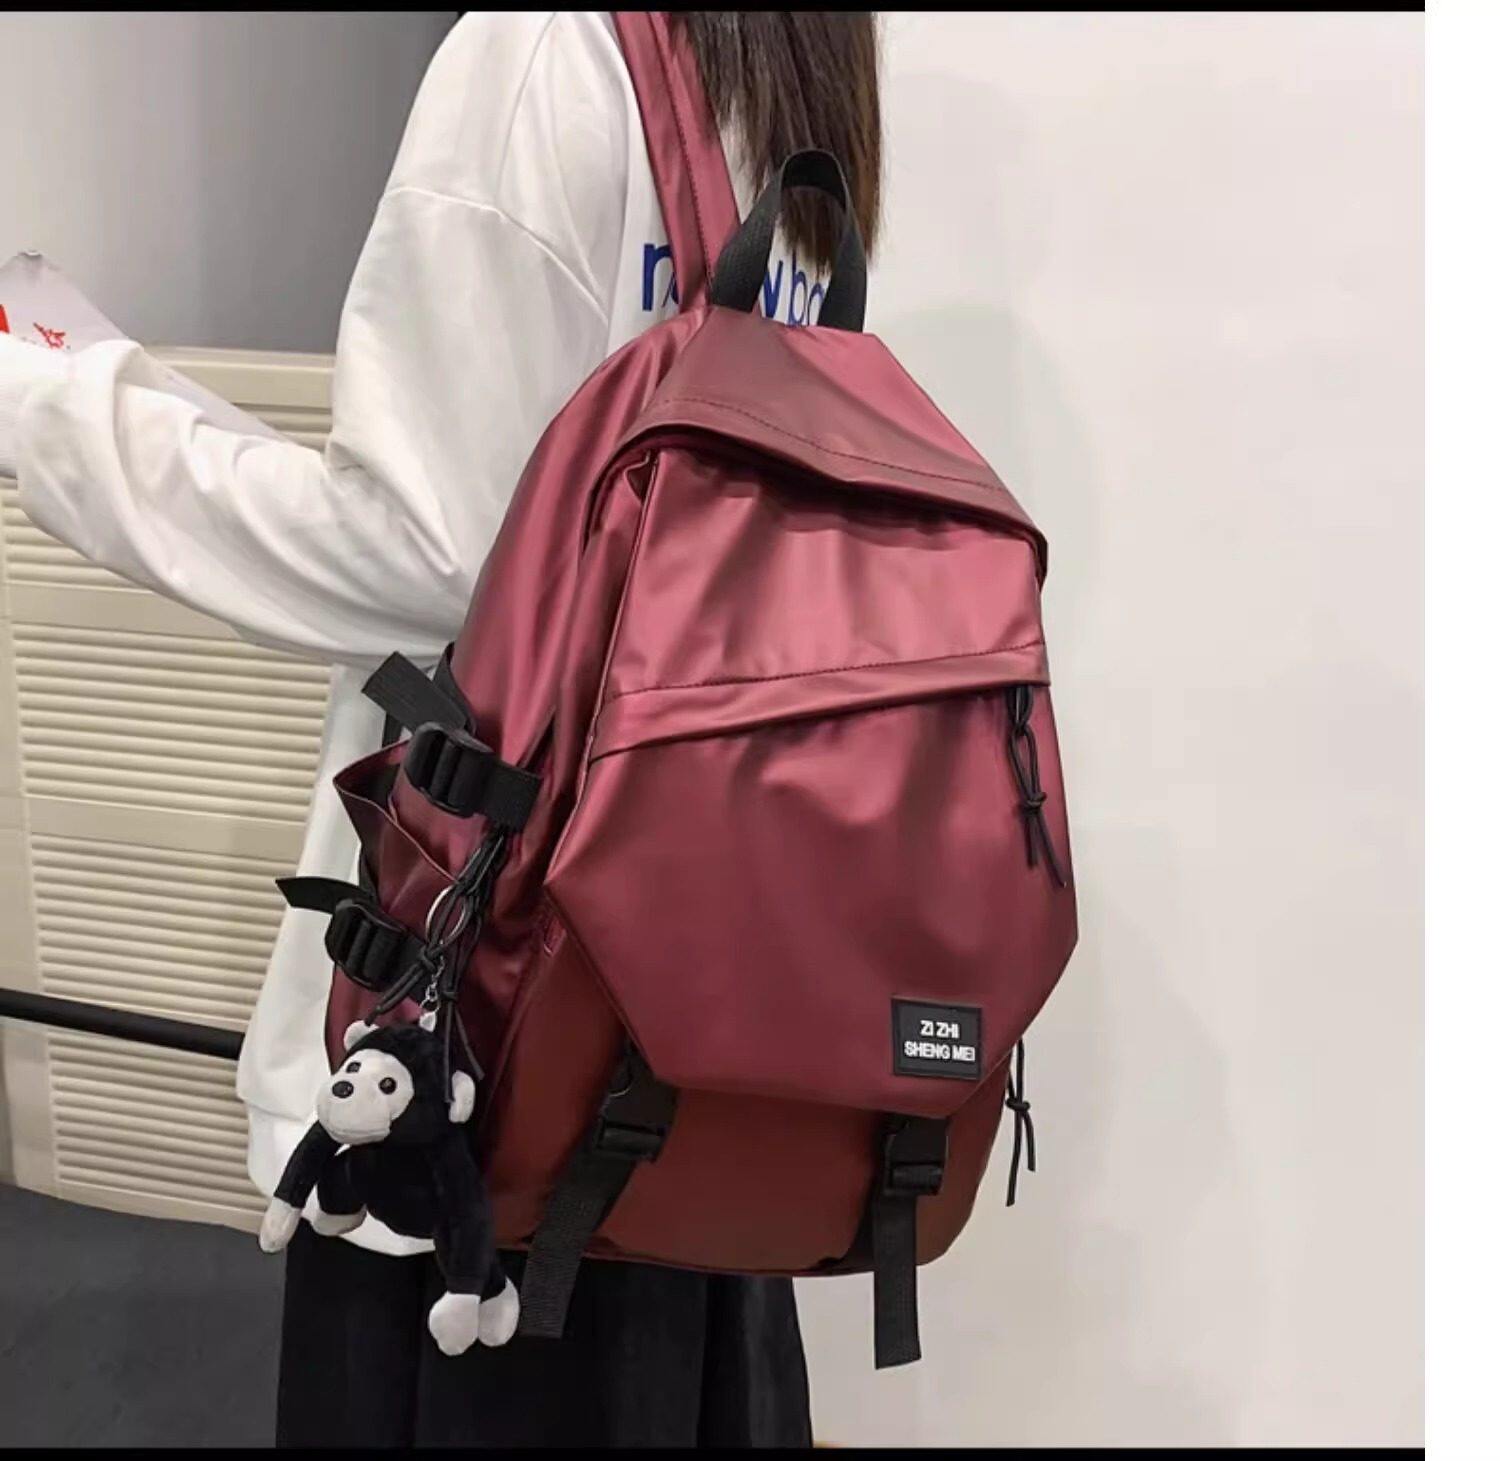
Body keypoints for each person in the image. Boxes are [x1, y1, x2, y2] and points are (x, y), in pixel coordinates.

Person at [0, 10, 883, 1448]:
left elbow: (432, 551)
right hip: (696, 1003)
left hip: (486, 1034)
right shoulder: (787, 67)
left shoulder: (545, 55)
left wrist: (56, 405)